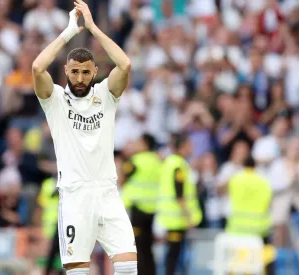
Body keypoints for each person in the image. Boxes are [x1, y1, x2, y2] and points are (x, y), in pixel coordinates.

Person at [31, 0, 137, 274]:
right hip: (75, 196)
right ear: (66, 71)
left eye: (85, 72)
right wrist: (69, 32)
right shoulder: (54, 100)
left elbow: (124, 64)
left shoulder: (105, 95)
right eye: (74, 71)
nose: (80, 78)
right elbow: (37, 68)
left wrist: (92, 27)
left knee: (128, 268)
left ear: (94, 72)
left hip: (108, 192)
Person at [156, 134, 202, 275]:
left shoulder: (170, 162)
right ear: (182, 146)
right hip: (177, 219)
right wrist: (188, 217)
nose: (192, 147)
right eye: (189, 144)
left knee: (172, 255)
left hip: (171, 218)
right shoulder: (178, 166)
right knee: (173, 257)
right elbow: (179, 194)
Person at [222, 156, 274, 275]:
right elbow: (269, 203)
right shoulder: (263, 181)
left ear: (243, 165)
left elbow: (228, 194)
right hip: (258, 229)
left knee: (235, 260)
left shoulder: (235, 179)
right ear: (255, 165)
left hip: (237, 228)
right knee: (261, 260)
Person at [121, 134, 162, 275]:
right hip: (152, 209)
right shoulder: (157, 161)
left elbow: (122, 176)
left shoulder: (136, 160)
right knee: (148, 246)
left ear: (145, 143)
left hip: (137, 209)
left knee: (136, 246)